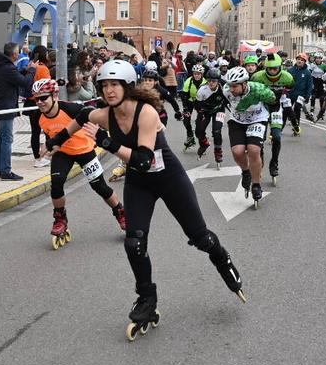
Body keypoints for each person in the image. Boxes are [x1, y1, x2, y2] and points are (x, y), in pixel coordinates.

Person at [43, 58, 245, 339]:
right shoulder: (104, 113)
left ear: (127, 86)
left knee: (199, 237)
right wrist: (56, 140)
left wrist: (106, 142)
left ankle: (222, 260)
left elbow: (142, 159)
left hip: (168, 178)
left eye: (115, 84)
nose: (109, 90)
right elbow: (80, 118)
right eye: (104, 85)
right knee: (134, 241)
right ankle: (147, 299)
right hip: (140, 185)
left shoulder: (146, 113)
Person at [36, 79, 127, 246]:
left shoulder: (70, 109)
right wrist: (48, 148)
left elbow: (91, 114)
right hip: (63, 153)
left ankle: (120, 212)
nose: (39, 103)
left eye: (43, 98)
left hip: (84, 150)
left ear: (54, 95)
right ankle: (60, 219)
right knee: (56, 183)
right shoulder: (40, 117)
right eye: (37, 99)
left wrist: (102, 133)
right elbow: (50, 136)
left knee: (99, 187)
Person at [224, 65, 276, 206]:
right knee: (237, 151)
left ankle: (256, 184)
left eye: (235, 86)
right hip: (237, 120)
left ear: (244, 83)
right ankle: (246, 171)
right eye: (230, 86)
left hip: (257, 119)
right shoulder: (226, 91)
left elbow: (273, 100)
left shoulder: (258, 90)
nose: (231, 89)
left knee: (253, 150)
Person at [0, 42, 29, 181]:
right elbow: (24, 82)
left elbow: (15, 77)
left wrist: (23, 71)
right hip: (5, 108)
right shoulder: (8, 68)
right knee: (7, 139)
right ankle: (6, 171)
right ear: (14, 54)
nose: (19, 54)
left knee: (1, 138)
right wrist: (31, 71)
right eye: (18, 52)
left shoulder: (1, 66)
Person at [251, 54, 293, 182]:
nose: (273, 71)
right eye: (270, 69)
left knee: (277, 137)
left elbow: (292, 89)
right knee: (260, 139)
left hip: (275, 107)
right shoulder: (257, 77)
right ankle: (261, 159)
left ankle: (274, 163)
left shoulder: (288, 77)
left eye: (275, 69)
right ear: (265, 68)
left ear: (280, 67)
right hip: (261, 108)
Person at [194, 64, 227, 164]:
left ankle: (218, 151)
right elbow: (197, 105)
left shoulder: (224, 87)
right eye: (209, 81)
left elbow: (231, 99)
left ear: (218, 81)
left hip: (219, 110)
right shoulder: (202, 90)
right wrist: (200, 115)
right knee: (198, 131)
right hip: (205, 111)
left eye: (214, 81)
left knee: (216, 131)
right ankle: (204, 144)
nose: (211, 83)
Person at [27, 47, 53, 168]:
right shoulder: (43, 68)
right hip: (42, 102)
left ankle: (36, 157)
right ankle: (46, 155)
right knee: (47, 130)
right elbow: (48, 86)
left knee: (35, 131)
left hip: (31, 103)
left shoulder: (31, 66)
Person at [288, 53, 314, 135]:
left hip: (301, 95)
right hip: (290, 94)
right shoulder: (290, 70)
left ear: (305, 62)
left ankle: (297, 126)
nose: (300, 61)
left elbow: (309, 85)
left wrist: (307, 96)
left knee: (297, 108)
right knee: (287, 110)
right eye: (298, 59)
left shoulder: (307, 73)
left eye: (302, 60)